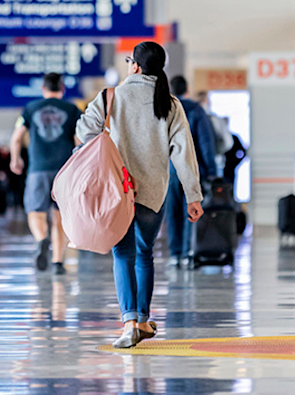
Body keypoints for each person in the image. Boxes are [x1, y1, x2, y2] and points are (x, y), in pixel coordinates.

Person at [75, 41, 203, 349]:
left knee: (123, 254)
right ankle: (144, 321)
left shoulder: (112, 96)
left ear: (134, 65)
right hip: (154, 192)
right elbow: (184, 152)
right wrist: (193, 195)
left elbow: (83, 132)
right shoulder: (170, 103)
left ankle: (130, 323)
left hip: (117, 191)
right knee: (145, 254)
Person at [11, 72, 82, 273]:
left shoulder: (30, 109)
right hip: (64, 171)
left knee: (35, 212)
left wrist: (15, 159)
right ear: (62, 89)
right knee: (60, 218)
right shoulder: (72, 109)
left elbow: (16, 138)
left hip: (37, 169)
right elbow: (78, 140)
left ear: (43, 89)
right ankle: (58, 262)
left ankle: (42, 239)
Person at [165, 76, 220, 267]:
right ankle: (189, 252)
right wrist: (212, 172)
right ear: (187, 89)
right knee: (192, 209)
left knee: (172, 212)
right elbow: (206, 143)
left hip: (169, 169)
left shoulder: (165, 109)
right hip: (192, 168)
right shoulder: (196, 110)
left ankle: (175, 253)